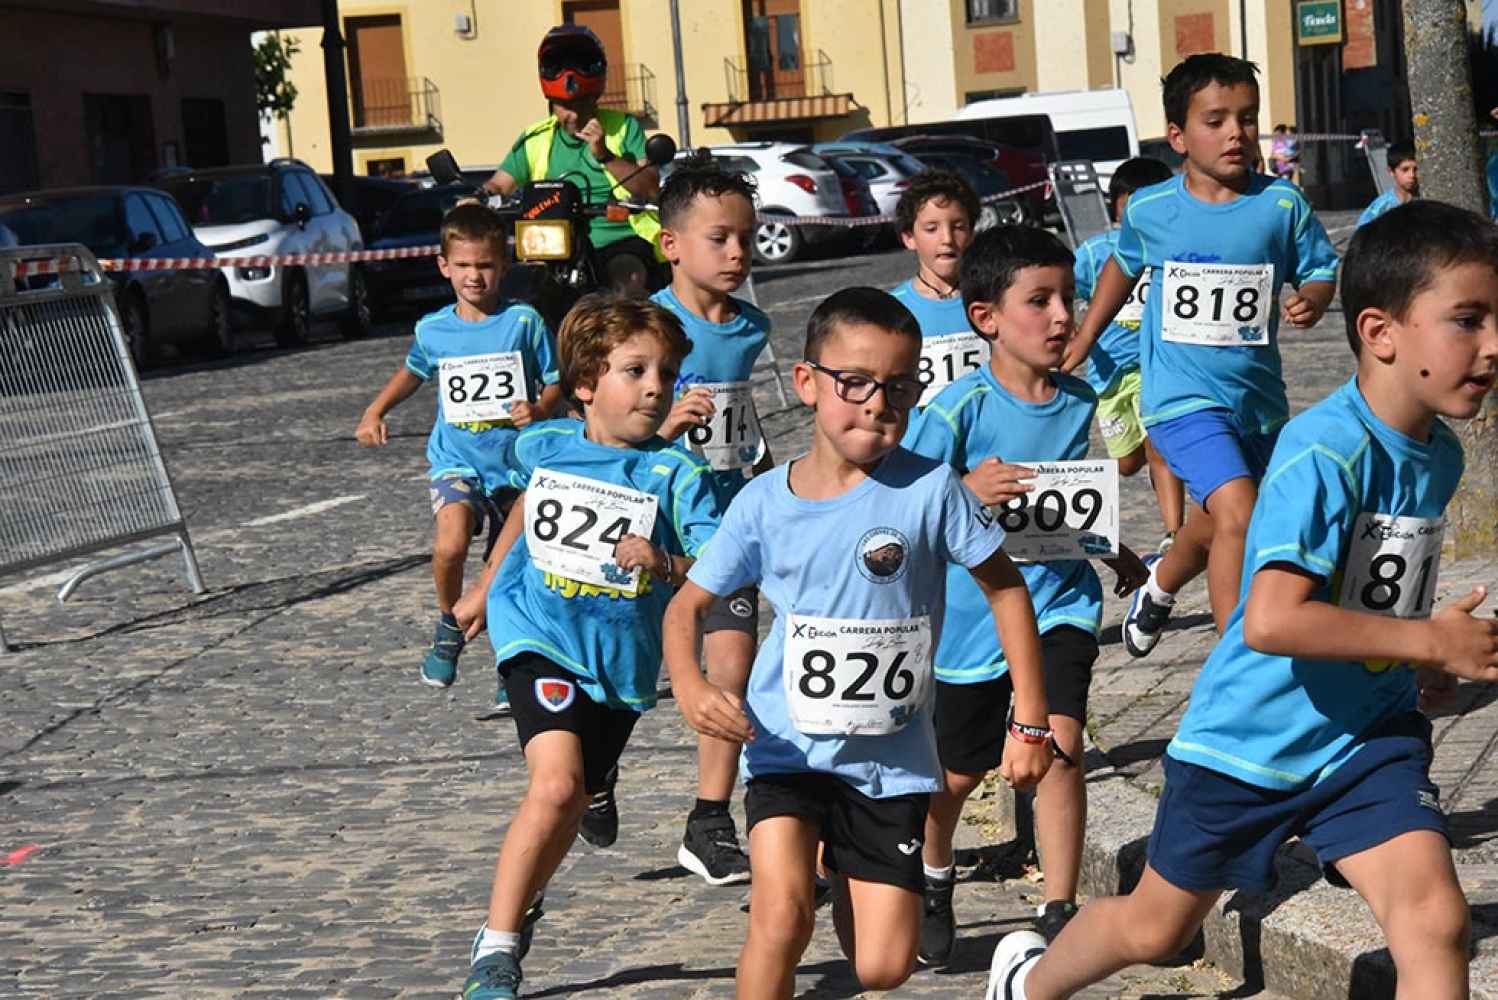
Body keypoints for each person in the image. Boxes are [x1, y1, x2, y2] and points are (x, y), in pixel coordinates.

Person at [988, 198, 1498, 1000]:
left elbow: (1379, 593)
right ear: (1379, 332)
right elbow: (1269, 620)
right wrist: (1429, 643)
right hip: (1244, 747)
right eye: (1468, 320)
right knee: (1159, 928)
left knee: (1435, 923)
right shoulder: (1323, 454)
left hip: (1363, 740)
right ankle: (1029, 984)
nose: (1494, 345)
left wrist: (1413, 661)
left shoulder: (1437, 457)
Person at [662, 287, 1054, 1000]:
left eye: (898, 387)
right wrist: (692, 685)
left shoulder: (933, 490)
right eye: (856, 383)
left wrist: (1029, 716)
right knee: (779, 921)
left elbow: (1006, 589)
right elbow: (687, 605)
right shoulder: (761, 504)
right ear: (807, 383)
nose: (878, 402)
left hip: (890, 763)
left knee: (882, 967)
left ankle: (863, 874)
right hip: (786, 747)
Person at [452, 296, 721, 1000]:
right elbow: (523, 508)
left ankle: (542, 873)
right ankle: (497, 945)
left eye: (665, 371)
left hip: (621, 662)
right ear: (584, 384)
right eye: (635, 371)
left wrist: (664, 563)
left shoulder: (676, 475)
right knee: (555, 784)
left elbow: (719, 564)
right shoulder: (543, 444)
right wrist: (484, 588)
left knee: (572, 798)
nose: (656, 386)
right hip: (536, 630)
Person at [904, 226, 1148, 964]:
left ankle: (1058, 908)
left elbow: (1068, 504)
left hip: (1061, 602)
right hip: (972, 623)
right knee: (955, 775)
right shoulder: (957, 409)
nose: (1061, 316)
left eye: (1066, 299)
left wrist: (1113, 548)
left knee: (1061, 746)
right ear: (986, 318)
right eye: (1037, 301)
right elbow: (906, 504)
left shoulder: (1080, 399)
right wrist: (964, 490)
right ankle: (934, 874)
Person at [1061, 53, 1338, 656]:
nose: (1236, 132)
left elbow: (1319, 269)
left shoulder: (1282, 205)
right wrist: (1085, 336)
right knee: (1238, 507)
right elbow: (1122, 266)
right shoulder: (1151, 208)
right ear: (1179, 136)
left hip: (1257, 399)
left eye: (1247, 117)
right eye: (1216, 120)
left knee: (1226, 519)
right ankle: (1236, 661)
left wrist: (1313, 299)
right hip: (1179, 399)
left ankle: (1161, 582)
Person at [355, 203, 561, 693]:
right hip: (457, 461)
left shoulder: (524, 322)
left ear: (504, 266)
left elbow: (557, 381)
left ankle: (511, 665)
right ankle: (449, 623)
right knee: (449, 545)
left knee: (507, 571)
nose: (475, 276)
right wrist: (375, 410)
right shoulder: (433, 330)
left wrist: (540, 408)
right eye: (464, 266)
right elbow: (413, 371)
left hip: (516, 468)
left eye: (486, 266)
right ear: (444, 266)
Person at [649, 157, 774, 884]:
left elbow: (741, 418)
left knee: (732, 662)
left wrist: (764, 478)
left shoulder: (751, 327)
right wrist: (664, 423)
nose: (737, 254)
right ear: (671, 244)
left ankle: (709, 819)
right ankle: (594, 775)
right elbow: (608, 438)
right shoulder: (647, 327)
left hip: (722, 526)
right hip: (648, 528)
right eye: (720, 239)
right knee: (626, 678)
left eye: (747, 239)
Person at [481, 24, 664, 294]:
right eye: (566, 107)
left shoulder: (624, 127)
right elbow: (499, 185)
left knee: (628, 277)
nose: (574, 115)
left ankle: (633, 334)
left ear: (596, 95)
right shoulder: (535, 138)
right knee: (525, 292)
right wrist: (478, 197)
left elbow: (650, 188)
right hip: (552, 245)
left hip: (620, 239)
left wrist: (605, 155)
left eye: (582, 105)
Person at [1071, 156, 1186, 553]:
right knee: (1128, 463)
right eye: (1129, 199)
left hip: (1157, 366)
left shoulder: (1173, 246)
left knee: (1160, 447)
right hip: (1109, 377)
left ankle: (1174, 532)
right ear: (1115, 204)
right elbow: (1066, 292)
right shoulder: (1092, 253)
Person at [888, 170, 986, 407]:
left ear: (972, 232)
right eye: (931, 228)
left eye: (958, 226)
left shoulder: (994, 299)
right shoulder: (891, 311)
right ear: (909, 238)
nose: (947, 239)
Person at [1356, 140, 1418, 229]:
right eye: (1405, 169)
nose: (1412, 175)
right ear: (1391, 171)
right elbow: (1361, 232)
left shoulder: (1426, 198)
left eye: (1416, 169)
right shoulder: (1381, 207)